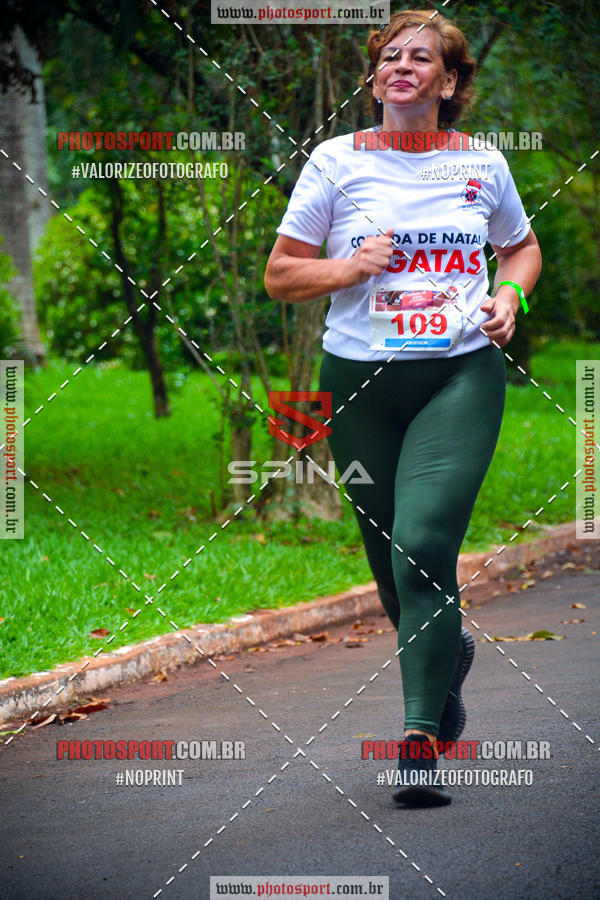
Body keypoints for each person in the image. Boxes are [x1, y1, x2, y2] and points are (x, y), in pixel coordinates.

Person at [264, 8, 542, 806]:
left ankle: (419, 740)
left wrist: (511, 295)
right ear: (374, 76)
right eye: (389, 57)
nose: (401, 67)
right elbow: (282, 274)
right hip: (357, 386)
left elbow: (520, 246)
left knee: (421, 543)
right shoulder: (335, 161)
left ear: (448, 82)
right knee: (391, 568)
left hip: (458, 376)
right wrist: (347, 269)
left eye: (420, 58)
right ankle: (444, 655)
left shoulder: (481, 164)